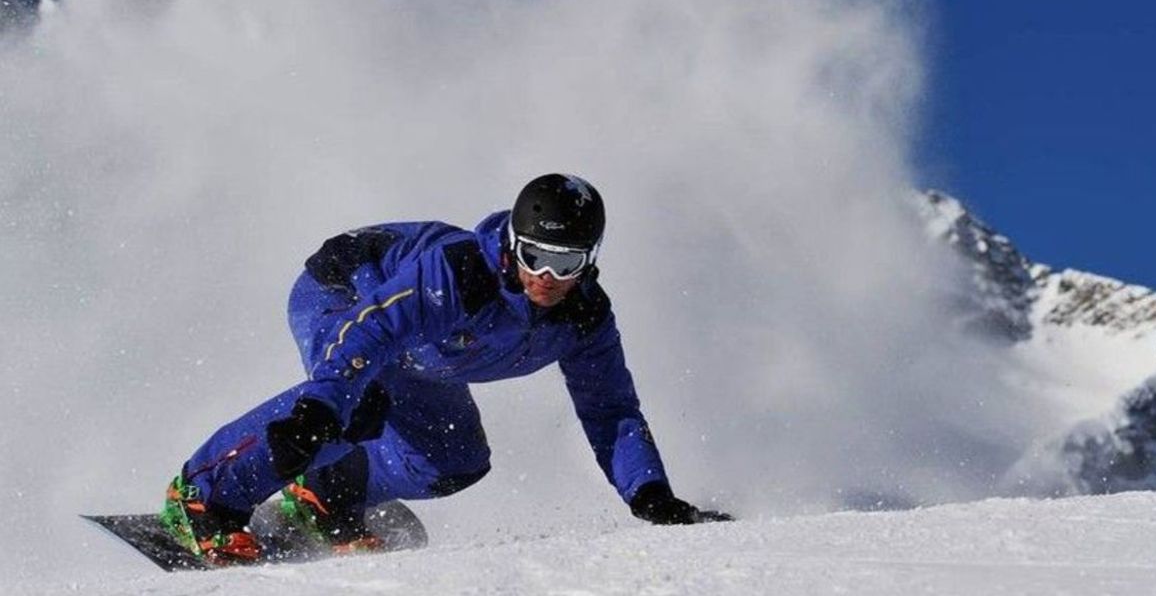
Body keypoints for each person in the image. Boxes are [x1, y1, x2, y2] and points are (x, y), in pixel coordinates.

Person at [161, 173, 732, 565]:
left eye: (565, 264)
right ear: (512, 242)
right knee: (350, 406)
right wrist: (319, 407)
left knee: (453, 461)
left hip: (418, 358)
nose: (546, 279)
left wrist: (650, 495)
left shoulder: (582, 320)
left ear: (591, 261)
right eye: (533, 257)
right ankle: (203, 496)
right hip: (342, 294)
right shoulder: (458, 276)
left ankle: (329, 490)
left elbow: (610, 410)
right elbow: (368, 333)